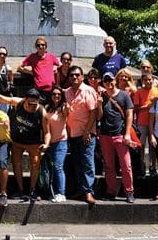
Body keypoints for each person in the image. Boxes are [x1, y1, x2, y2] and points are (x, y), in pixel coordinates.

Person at [0, 87, 50, 201]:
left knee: (35, 164)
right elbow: (3, 99)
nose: (32, 105)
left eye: (34, 103)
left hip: (33, 142)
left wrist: (46, 143)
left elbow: (47, 132)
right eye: (30, 103)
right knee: (16, 164)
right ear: (25, 99)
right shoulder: (19, 103)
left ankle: (32, 190)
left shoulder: (42, 112)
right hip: (17, 141)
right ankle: (20, 190)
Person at [64, 65, 100, 204]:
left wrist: (87, 131)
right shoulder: (66, 92)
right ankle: (81, 190)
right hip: (72, 133)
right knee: (77, 164)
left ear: (82, 77)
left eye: (77, 75)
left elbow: (93, 112)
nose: (74, 77)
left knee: (87, 163)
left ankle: (89, 192)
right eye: (72, 75)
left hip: (86, 134)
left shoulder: (88, 90)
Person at [99, 71, 136, 203]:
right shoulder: (101, 97)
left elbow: (129, 115)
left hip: (120, 135)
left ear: (115, 80)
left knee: (126, 165)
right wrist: (98, 104)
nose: (109, 83)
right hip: (105, 136)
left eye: (110, 80)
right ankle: (111, 191)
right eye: (106, 81)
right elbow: (98, 117)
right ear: (103, 83)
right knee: (109, 166)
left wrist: (127, 133)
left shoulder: (124, 95)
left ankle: (129, 191)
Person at [131, 60, 158, 175]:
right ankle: (141, 165)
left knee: (154, 146)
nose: (148, 81)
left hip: (155, 123)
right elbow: (136, 109)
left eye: (150, 80)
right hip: (142, 122)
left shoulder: (157, 91)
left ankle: (153, 166)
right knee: (141, 146)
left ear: (153, 80)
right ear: (142, 81)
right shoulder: (138, 92)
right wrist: (147, 106)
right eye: (146, 80)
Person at [44, 86, 69, 202]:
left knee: (59, 167)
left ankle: (61, 193)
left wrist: (66, 107)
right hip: (49, 142)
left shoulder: (63, 107)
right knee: (51, 168)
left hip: (61, 142)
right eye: (54, 94)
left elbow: (67, 113)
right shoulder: (47, 107)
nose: (56, 96)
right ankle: (52, 192)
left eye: (59, 94)